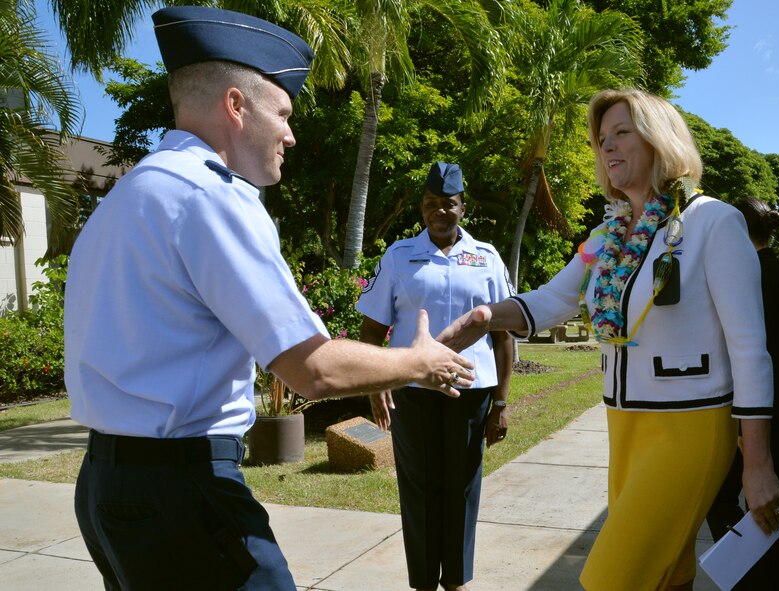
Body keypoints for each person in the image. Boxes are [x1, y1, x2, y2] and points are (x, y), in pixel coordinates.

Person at [64, 7, 474, 591]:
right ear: (236, 106)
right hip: (183, 494)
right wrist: (421, 361)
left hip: (107, 487)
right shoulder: (211, 197)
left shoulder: (127, 196)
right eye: (282, 112)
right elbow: (311, 368)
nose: (291, 133)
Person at [436, 88, 779, 591]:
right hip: (624, 426)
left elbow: (750, 349)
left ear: (659, 138)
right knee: (667, 575)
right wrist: (482, 318)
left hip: (688, 428)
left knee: (610, 580)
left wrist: (758, 464)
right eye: (602, 140)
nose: (609, 148)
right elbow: (554, 300)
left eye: (623, 132)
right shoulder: (608, 235)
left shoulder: (715, 222)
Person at [356, 162, 514, 591]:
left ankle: (457, 581)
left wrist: (501, 403)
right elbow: (372, 329)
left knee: (462, 486)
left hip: (471, 390)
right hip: (413, 392)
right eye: (431, 204)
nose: (439, 212)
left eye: (448, 204)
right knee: (419, 487)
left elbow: (503, 337)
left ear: (464, 208)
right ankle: (424, 581)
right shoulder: (399, 256)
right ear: (422, 208)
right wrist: (376, 383)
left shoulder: (486, 258)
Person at [705, 196, 779, 590]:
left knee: (727, 501)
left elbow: (749, 350)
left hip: (760, 404)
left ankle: (753, 579)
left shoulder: (747, 273)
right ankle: (764, 580)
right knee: (763, 501)